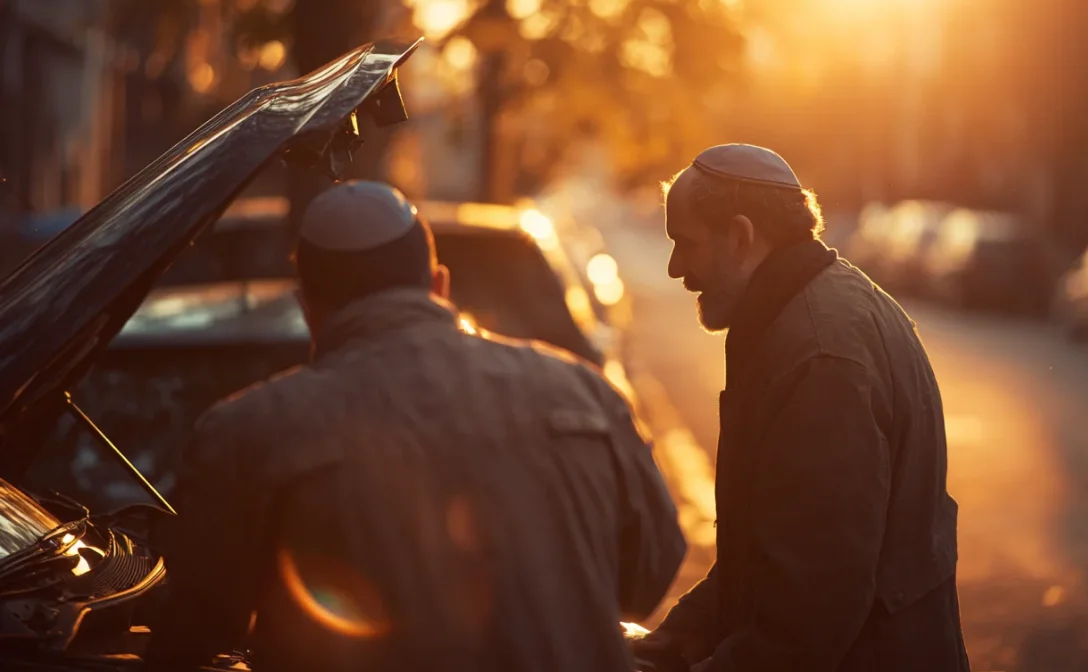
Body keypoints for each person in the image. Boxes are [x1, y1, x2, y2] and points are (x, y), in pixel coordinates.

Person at [146, 180, 686, 672]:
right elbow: (652, 566)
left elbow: (195, 627)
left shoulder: (248, 431)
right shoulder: (583, 390)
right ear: (439, 283)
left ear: (308, 305)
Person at [635, 144, 969, 671]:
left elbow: (807, 619)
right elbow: (768, 559)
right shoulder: (814, 311)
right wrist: (675, 638)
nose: (676, 268)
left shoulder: (820, 358)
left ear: (742, 237)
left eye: (686, 243)